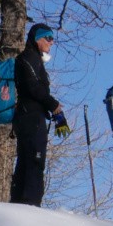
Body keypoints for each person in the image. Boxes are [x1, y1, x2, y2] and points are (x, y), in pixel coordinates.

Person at [11, 22, 69, 206]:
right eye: (48, 38)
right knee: (33, 162)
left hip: (32, 117)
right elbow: (33, 88)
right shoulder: (27, 58)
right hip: (30, 118)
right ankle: (30, 205)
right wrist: (54, 106)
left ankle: (21, 203)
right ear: (37, 39)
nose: (52, 42)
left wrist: (54, 111)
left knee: (27, 161)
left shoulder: (34, 59)